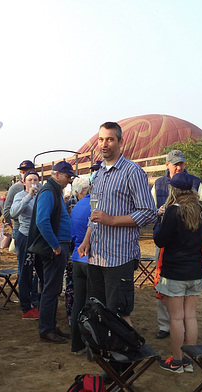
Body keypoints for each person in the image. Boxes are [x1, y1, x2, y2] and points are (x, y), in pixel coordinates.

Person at [78, 122, 157, 326]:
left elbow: (148, 213)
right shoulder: (98, 175)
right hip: (96, 256)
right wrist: (87, 239)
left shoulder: (133, 172)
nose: (104, 144)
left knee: (120, 314)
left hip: (119, 257)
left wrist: (112, 220)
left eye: (110, 139)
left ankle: (122, 355)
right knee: (97, 310)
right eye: (101, 139)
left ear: (120, 141)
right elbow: (94, 213)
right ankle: (104, 354)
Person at [154, 173, 202, 373]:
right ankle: (189, 359)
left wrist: (161, 219)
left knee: (176, 319)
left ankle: (176, 361)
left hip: (174, 272)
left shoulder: (172, 211)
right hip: (195, 271)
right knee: (191, 317)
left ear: (174, 190)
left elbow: (161, 241)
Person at [151, 150, 202, 340]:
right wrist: (159, 213)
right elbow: (150, 210)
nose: (178, 166)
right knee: (163, 281)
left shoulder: (196, 182)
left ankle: (178, 327)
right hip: (167, 239)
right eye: (175, 163)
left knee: (173, 282)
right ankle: (165, 325)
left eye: (181, 163)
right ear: (167, 164)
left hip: (187, 241)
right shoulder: (158, 184)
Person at [27, 161, 75, 343]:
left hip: (58, 245)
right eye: (67, 176)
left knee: (53, 289)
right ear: (56, 174)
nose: (69, 180)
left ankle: (51, 327)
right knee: (50, 289)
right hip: (55, 247)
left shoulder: (53, 191)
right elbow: (42, 221)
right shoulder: (48, 192)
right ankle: (46, 329)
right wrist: (55, 245)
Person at [9, 170, 41, 319]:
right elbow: (13, 213)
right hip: (26, 237)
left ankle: (41, 304)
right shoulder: (20, 196)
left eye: (35, 179)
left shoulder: (42, 195)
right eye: (30, 180)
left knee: (43, 272)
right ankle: (26, 308)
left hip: (40, 238)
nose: (33, 182)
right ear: (24, 182)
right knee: (26, 273)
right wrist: (29, 196)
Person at [69, 175, 92, 354]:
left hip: (77, 259)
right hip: (92, 259)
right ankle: (92, 345)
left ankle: (76, 344)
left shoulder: (76, 207)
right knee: (92, 304)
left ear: (77, 192)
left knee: (78, 302)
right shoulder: (95, 206)